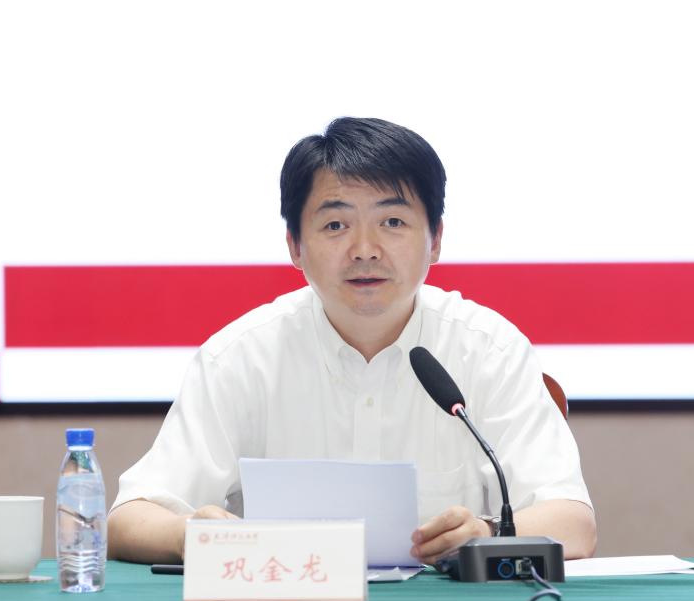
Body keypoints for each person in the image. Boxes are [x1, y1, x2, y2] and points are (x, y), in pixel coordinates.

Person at [107, 117, 596, 565]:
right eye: (336, 225)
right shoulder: (241, 357)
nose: (364, 250)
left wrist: (486, 532)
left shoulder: (490, 350)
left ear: (435, 240)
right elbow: (129, 519)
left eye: (393, 222)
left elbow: (573, 522)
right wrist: (189, 534)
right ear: (295, 246)